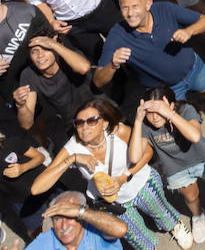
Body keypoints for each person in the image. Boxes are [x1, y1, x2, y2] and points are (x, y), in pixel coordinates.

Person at [29, 98, 192, 250]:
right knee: (132, 233)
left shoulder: (119, 131)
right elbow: (36, 188)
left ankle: (174, 226)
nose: (84, 127)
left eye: (91, 121)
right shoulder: (73, 147)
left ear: (104, 123)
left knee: (160, 210)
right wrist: (72, 159)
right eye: (79, 123)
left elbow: (148, 152)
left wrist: (125, 176)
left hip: (141, 183)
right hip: (112, 202)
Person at [130, 88, 205, 242]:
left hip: (201, 157)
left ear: (171, 105)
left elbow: (195, 136)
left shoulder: (185, 110)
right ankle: (198, 215)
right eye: (150, 112)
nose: (155, 117)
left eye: (159, 111)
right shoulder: (145, 124)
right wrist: (138, 121)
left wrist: (170, 114)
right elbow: (134, 157)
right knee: (191, 196)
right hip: (176, 167)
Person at [94, 0, 205, 114]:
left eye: (135, 6)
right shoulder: (117, 35)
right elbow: (98, 81)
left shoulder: (165, 9)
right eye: (125, 8)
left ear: (148, 4)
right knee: (183, 121)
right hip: (167, 90)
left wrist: (189, 31)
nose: (130, 13)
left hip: (194, 69)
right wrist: (113, 64)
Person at [22, 192, 129, 250]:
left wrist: (81, 211)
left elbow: (121, 229)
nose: (64, 227)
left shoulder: (96, 230)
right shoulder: (46, 241)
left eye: (70, 217)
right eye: (57, 219)